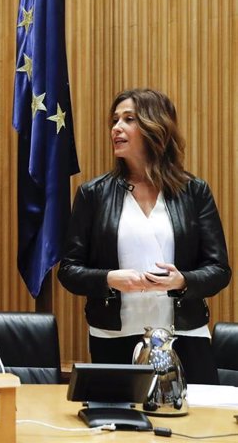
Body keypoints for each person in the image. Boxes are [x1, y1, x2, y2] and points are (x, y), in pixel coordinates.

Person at [58, 88, 231, 384]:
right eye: (115, 120)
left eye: (128, 119)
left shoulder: (194, 192)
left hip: (185, 334)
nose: (116, 128)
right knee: (124, 423)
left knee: (197, 422)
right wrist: (110, 279)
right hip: (115, 335)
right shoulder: (93, 194)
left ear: (155, 126)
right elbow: (69, 271)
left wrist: (183, 281)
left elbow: (219, 271)